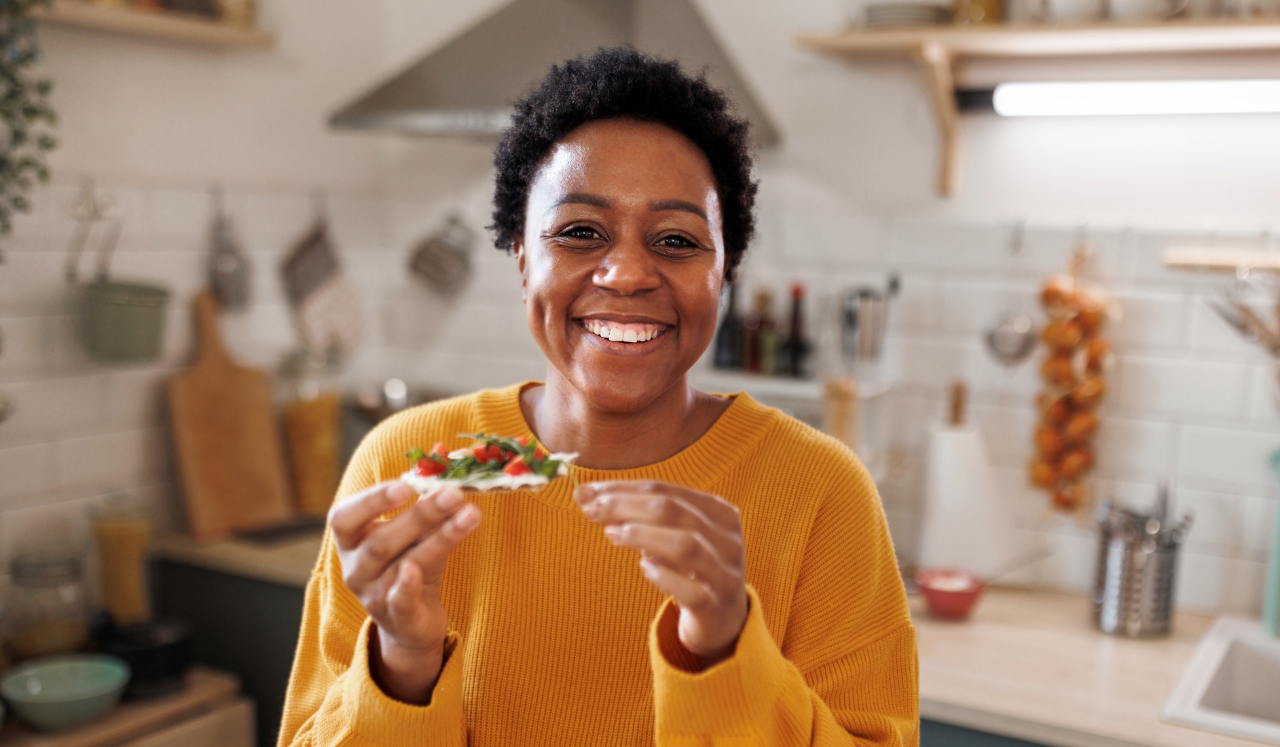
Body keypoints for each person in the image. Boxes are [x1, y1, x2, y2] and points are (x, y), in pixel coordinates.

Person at [279, 48, 917, 747]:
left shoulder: (821, 493)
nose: (627, 273)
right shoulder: (411, 465)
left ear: (724, 272)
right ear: (523, 258)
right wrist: (401, 662)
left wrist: (729, 651)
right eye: (580, 232)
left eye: (676, 240)